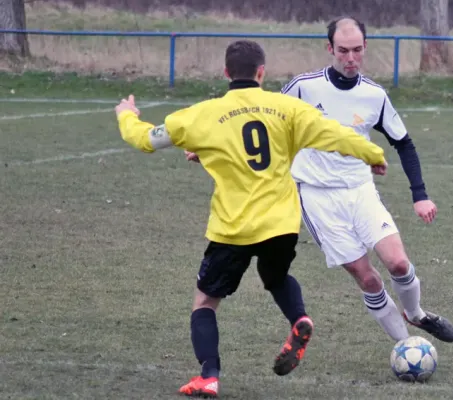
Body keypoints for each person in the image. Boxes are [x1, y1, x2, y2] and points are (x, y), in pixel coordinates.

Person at [115, 39, 388, 398]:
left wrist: (126, 115)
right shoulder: (288, 108)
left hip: (233, 228)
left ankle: (208, 376)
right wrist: (372, 153)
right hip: (281, 224)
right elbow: (335, 134)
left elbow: (146, 140)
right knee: (275, 276)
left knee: (205, 302)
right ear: (262, 73)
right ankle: (299, 319)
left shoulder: (202, 115)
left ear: (226, 73)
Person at [278, 17, 453, 345]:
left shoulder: (374, 95)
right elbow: (267, 119)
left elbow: (403, 142)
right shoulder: (304, 86)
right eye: (343, 50)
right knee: (368, 278)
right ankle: (406, 346)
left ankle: (415, 314)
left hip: (361, 191)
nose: (350, 58)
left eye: (357, 50)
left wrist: (420, 195)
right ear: (329, 48)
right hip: (317, 198)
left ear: (365, 49)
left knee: (399, 263)